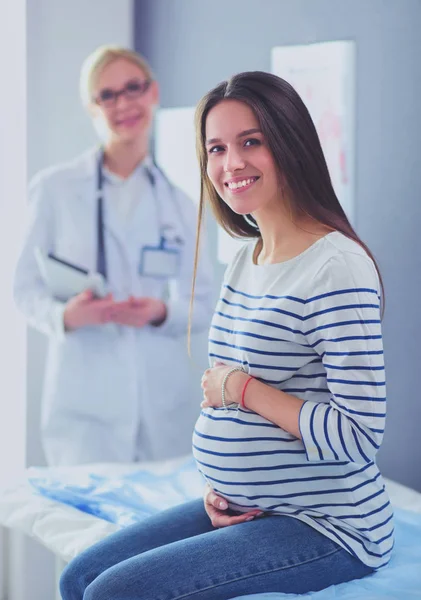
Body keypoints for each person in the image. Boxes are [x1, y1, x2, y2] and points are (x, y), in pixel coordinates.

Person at [59, 71, 393, 599]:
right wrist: (223, 487)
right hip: (245, 506)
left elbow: (358, 435)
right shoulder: (246, 257)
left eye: (250, 142)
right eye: (216, 148)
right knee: (77, 577)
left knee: (112, 593)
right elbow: (227, 401)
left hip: (326, 525)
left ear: (290, 144)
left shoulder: (337, 268)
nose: (230, 164)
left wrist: (242, 390)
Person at [14, 45, 214, 466]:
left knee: (163, 528)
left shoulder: (180, 203)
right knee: (89, 530)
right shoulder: (55, 189)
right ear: (92, 107)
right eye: (107, 95)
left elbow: (205, 304)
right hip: (86, 406)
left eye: (132, 89)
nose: (123, 104)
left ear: (153, 92)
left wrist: (161, 310)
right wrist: (66, 316)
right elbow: (24, 289)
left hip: (162, 404)